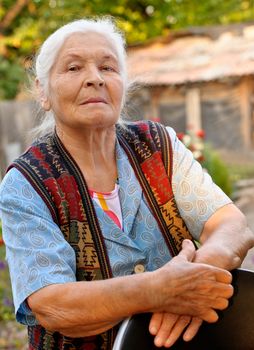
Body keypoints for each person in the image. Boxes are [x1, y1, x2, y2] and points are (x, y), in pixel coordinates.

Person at [0, 17, 253, 350]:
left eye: (108, 67)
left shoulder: (158, 146)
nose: (94, 79)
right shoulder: (27, 182)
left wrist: (197, 275)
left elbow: (231, 225)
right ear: (42, 91)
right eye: (74, 68)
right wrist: (158, 290)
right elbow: (51, 302)